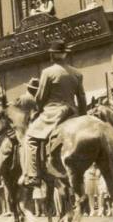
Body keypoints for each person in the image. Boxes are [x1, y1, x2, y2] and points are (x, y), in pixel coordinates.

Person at [23, 40, 86, 187]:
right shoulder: (77, 73)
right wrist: (83, 116)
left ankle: (33, 175)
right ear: (65, 54)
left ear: (52, 55)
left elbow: (40, 97)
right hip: (72, 111)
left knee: (30, 138)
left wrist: (38, 110)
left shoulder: (47, 72)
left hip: (53, 113)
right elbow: (82, 97)